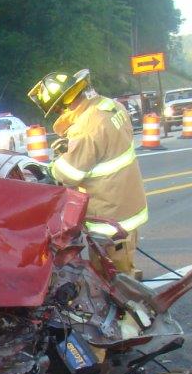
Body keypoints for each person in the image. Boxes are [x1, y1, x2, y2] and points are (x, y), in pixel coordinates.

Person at [27, 69, 147, 274]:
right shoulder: (109, 106)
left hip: (110, 216)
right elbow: (102, 149)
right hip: (128, 203)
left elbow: (70, 173)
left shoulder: (86, 127)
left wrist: (51, 169)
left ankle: (134, 304)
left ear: (64, 104)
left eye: (57, 110)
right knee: (122, 265)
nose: (59, 115)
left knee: (112, 277)